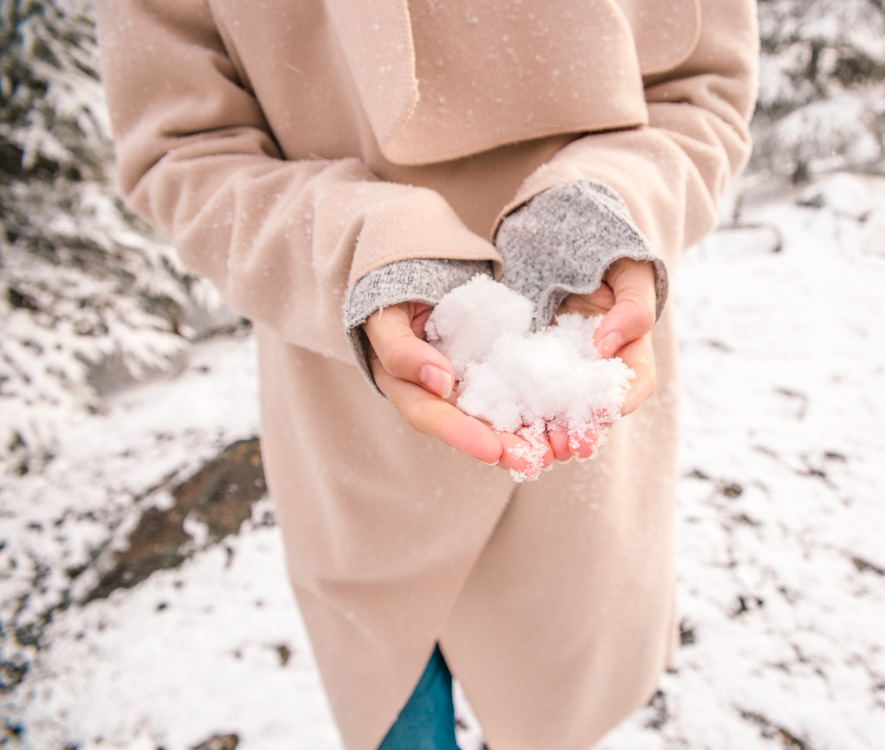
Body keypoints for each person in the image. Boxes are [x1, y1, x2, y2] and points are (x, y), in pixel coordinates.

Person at [95, 1, 759, 748]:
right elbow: (181, 153)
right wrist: (363, 251)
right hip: (350, 411)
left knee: (557, 701)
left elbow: (703, 93)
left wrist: (607, 206)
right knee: (403, 719)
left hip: (588, 389)